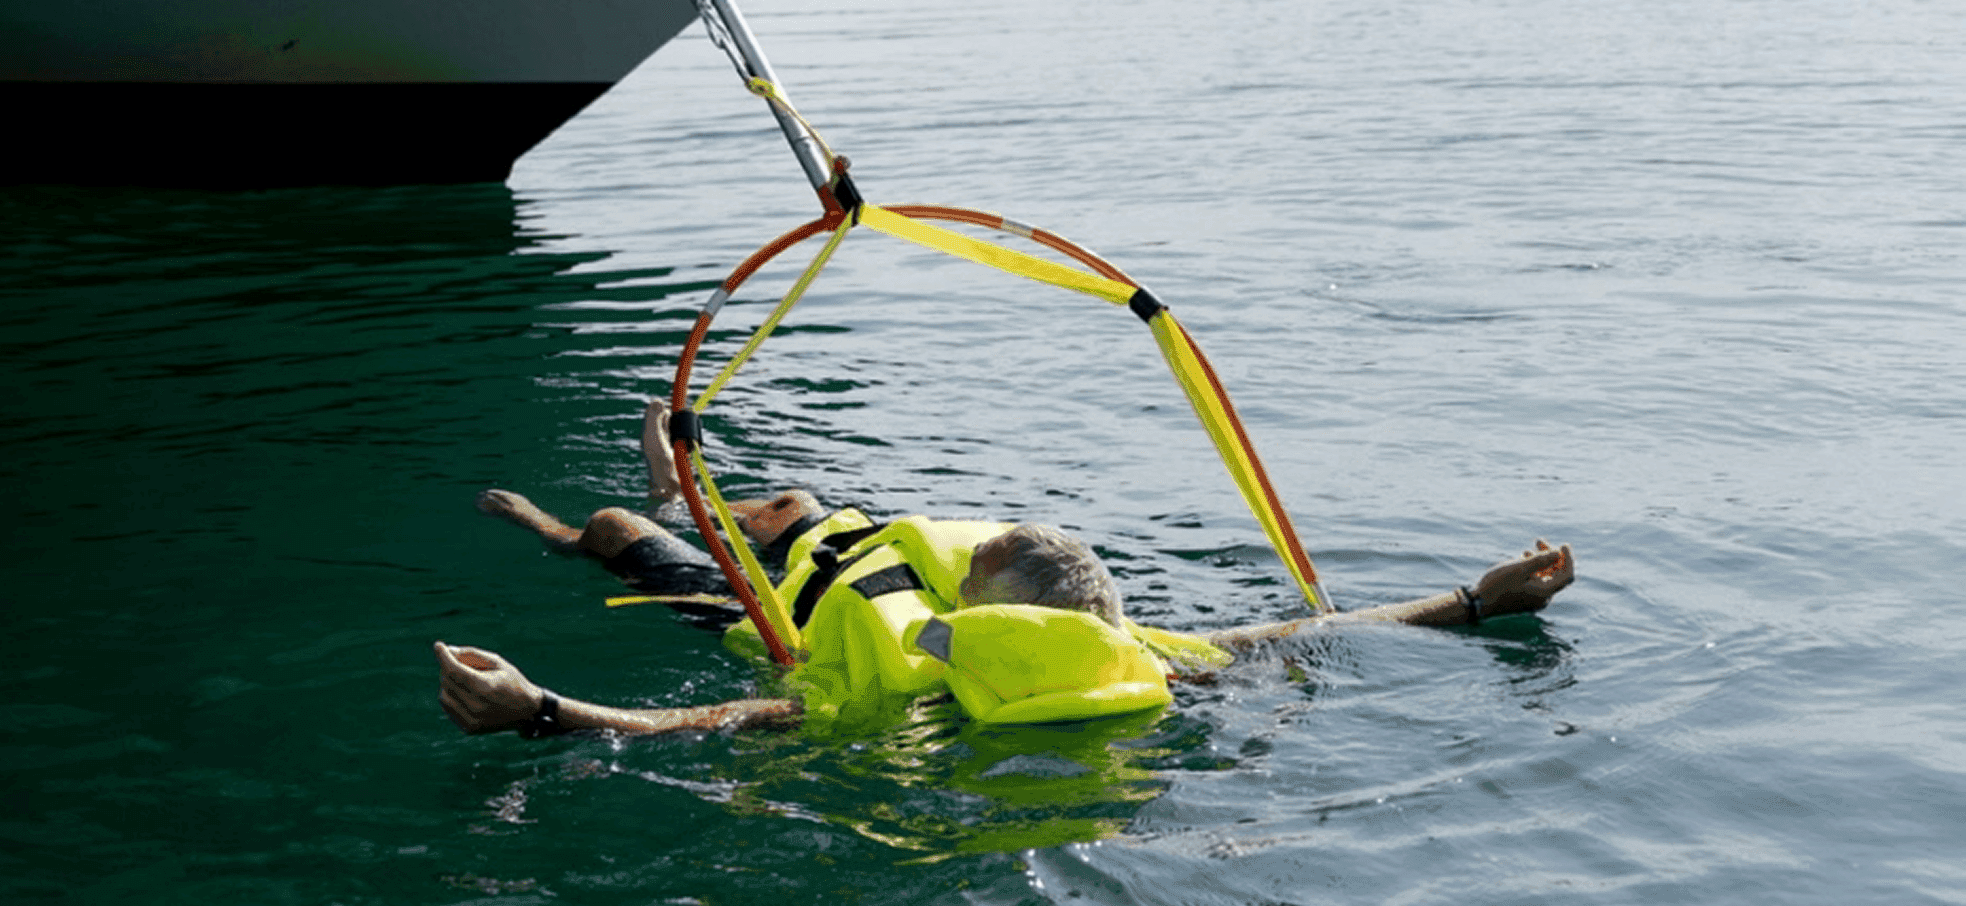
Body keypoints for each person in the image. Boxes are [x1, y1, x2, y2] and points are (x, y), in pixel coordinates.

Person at [437, 403, 1576, 739]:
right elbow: (1311, 628)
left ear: (988, 613)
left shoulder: (909, 691)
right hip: (831, 552)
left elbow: (717, 718)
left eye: (975, 558)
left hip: (764, 613)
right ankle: (680, 482)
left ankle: (592, 516)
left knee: (605, 526)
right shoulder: (1142, 653)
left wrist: (539, 707)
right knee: (785, 502)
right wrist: (1478, 597)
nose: (966, 542)